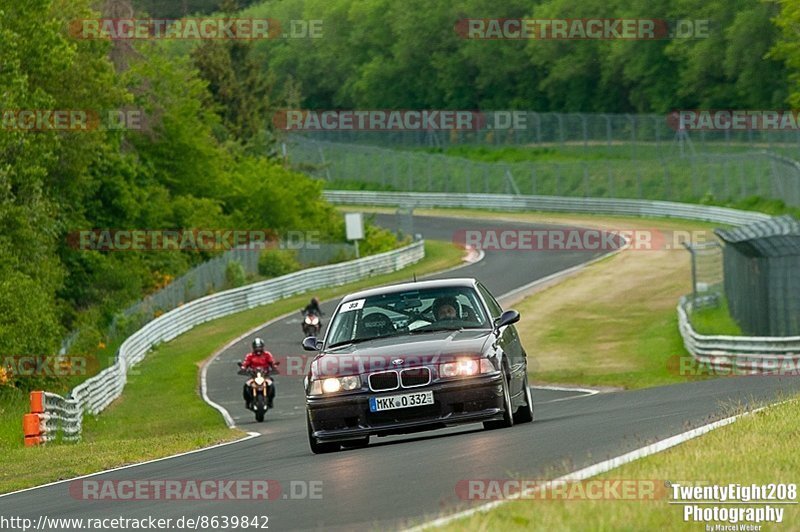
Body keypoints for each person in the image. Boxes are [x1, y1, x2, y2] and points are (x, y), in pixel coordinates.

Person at [241, 337, 276, 408]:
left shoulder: (267, 355)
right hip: (253, 375)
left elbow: (272, 362)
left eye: (260, 347)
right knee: (246, 386)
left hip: (265, 375)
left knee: (271, 385)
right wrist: (243, 368)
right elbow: (245, 363)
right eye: (256, 347)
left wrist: (274, 366)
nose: (258, 349)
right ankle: (248, 401)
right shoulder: (249, 356)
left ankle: (270, 400)